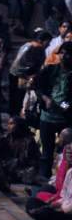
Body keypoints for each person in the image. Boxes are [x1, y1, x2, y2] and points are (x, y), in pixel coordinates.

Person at [35, 41, 72, 179]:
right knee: (46, 152)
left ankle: (61, 180)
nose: (64, 56)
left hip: (65, 118)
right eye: (62, 53)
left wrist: (64, 106)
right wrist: (46, 99)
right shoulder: (50, 69)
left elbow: (68, 103)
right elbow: (38, 87)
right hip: (47, 116)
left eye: (68, 53)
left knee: (66, 152)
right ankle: (44, 180)